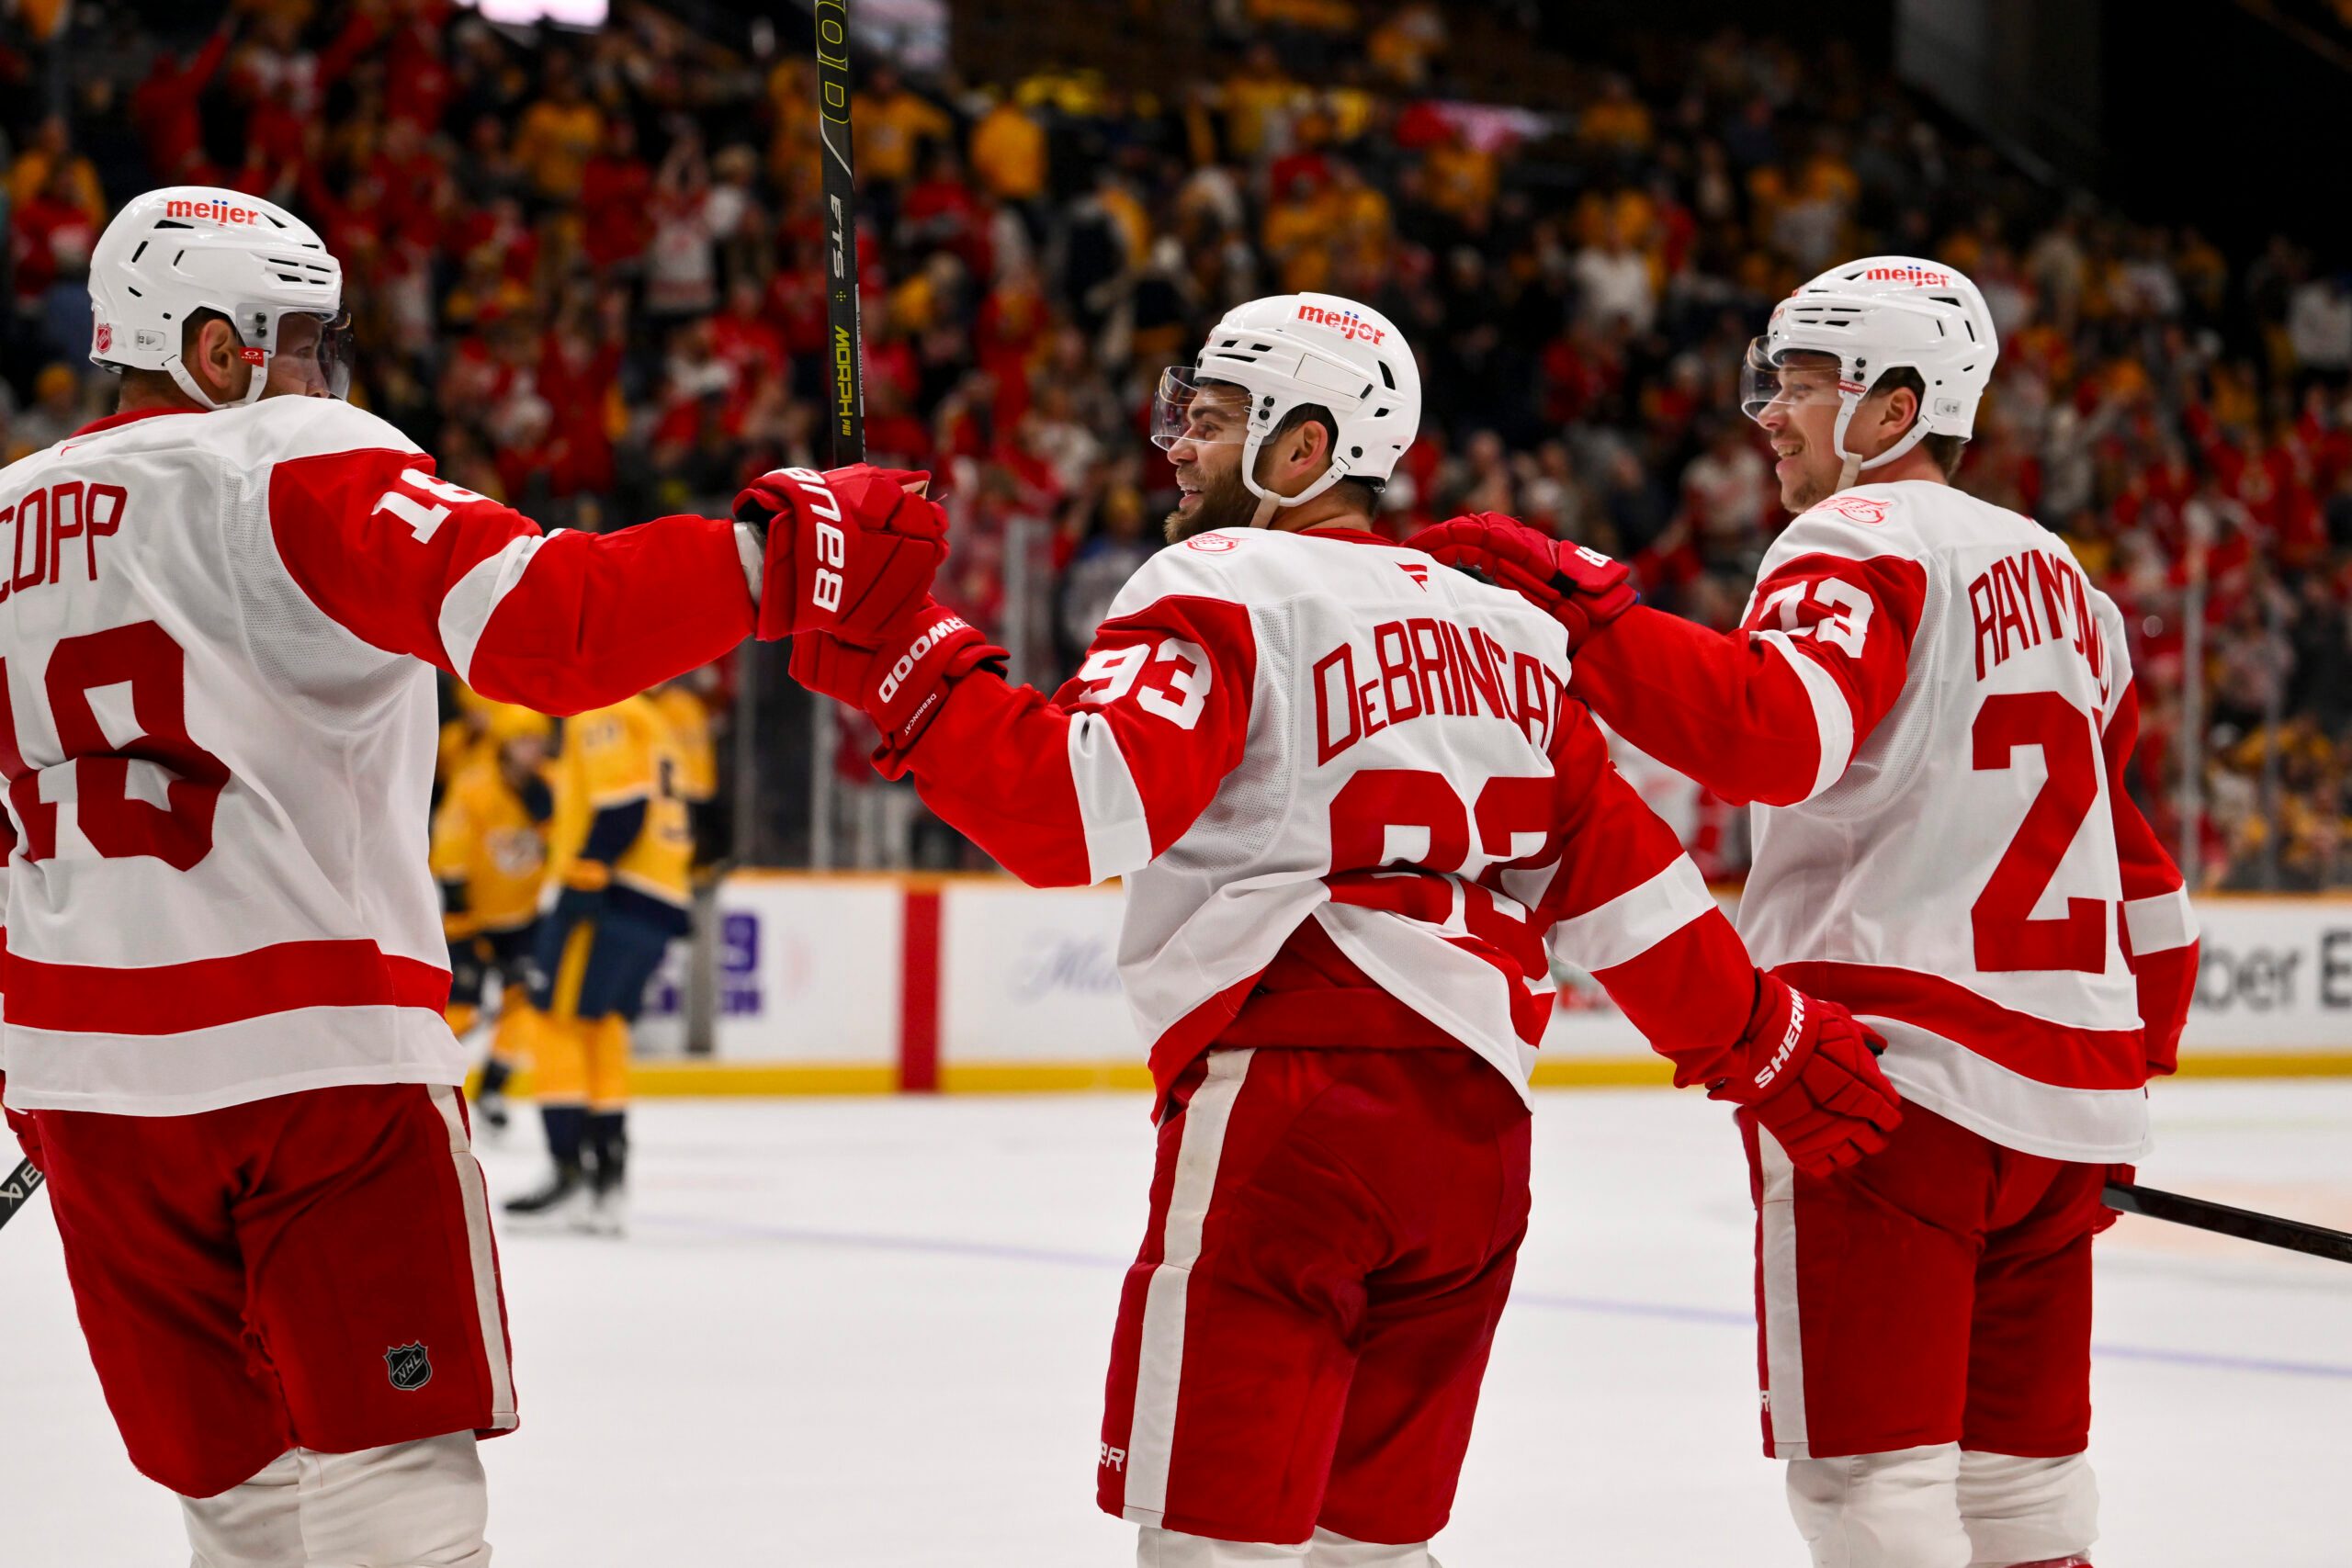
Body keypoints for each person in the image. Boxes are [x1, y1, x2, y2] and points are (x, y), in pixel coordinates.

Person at [775, 291, 1899, 1567]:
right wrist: (1767, 1042)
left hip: (1291, 1116)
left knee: (1216, 1542)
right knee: (1369, 1547)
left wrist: (896, 644)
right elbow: (1623, 885)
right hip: (1477, 1147)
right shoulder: (1510, 628)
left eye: (1209, 420)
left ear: (1303, 448)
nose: (1177, 447)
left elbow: (1074, 809)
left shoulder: (1228, 580)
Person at [0, 184, 854, 1566]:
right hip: (310, 1061)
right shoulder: (289, 457)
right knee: (396, 1487)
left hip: (86, 1081)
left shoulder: (6, 514)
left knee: (239, 1501)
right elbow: (553, 627)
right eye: (296, 338)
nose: (317, 370)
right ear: (215, 347)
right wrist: (779, 554)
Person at [1415, 255, 2199, 1568]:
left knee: (1873, 1488)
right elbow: (2143, 874)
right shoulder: (2076, 584)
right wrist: (2125, 1072)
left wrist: (1584, 610)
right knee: (2026, 1489)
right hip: (2066, 1095)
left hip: (1890, 1091)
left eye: (1800, 384)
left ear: (1895, 410)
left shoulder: (1859, 537)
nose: (1768, 412)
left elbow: (1771, 737)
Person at [503, 687, 695, 1234]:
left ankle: (569, 1174)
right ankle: (608, 1180)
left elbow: (622, 806)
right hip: (659, 896)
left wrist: (585, 874)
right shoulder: (651, 715)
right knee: (602, 1027)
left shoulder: (602, 707)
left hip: (613, 894)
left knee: (553, 1020)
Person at [430, 704, 556, 1134]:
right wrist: (461, 911)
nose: (534, 750)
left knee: (522, 1007)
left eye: (539, 740)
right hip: (472, 917)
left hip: (522, 917)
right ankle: (424, 1085)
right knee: (461, 1010)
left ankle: (494, 1089)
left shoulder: (547, 788)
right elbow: (450, 849)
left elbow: (563, 843)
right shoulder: (475, 786)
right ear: (503, 744)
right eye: (524, 741)